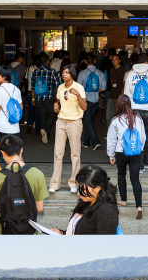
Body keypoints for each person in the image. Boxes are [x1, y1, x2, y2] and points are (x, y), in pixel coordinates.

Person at [0, 135, 48, 235]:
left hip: (5, 232)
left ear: (2, 153)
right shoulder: (37, 174)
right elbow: (39, 208)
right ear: (21, 150)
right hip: (29, 232)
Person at [106, 95, 146, 219]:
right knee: (135, 179)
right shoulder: (138, 118)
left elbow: (112, 140)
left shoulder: (115, 120)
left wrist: (111, 154)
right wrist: (140, 149)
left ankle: (123, 199)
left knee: (121, 174)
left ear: (118, 105)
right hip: (135, 152)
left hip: (121, 152)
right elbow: (143, 137)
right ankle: (139, 206)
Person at [49, 165, 119, 235]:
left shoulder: (107, 210)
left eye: (84, 189)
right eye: (79, 187)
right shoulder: (85, 202)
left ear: (97, 188)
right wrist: (61, 233)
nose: (79, 193)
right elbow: (78, 231)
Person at [49, 65, 86, 194]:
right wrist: (56, 104)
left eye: (67, 73)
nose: (64, 75)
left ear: (72, 75)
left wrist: (77, 95)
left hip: (74, 122)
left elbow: (84, 107)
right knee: (58, 153)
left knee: (75, 154)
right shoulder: (60, 87)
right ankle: (54, 183)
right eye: (63, 72)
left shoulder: (79, 87)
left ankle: (74, 183)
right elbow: (58, 100)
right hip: (61, 121)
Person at [123, 56, 148, 170]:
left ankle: (138, 165)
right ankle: (147, 161)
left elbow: (127, 94)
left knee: (136, 136)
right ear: (147, 62)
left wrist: (128, 110)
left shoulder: (130, 74)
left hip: (135, 110)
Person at [0, 65, 23, 147]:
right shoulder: (16, 89)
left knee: (0, 154)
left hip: (1, 128)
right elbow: (21, 108)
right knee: (14, 154)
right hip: (15, 128)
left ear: (4, 77)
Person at [77, 53, 107, 150]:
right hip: (95, 101)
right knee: (90, 121)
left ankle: (96, 141)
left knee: (88, 121)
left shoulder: (82, 74)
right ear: (94, 61)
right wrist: (94, 90)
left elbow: (78, 88)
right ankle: (86, 142)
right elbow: (103, 88)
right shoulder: (101, 73)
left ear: (85, 62)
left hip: (85, 100)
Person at [30, 52, 61, 145]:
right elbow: (58, 85)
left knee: (42, 115)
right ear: (48, 61)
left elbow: (32, 87)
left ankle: (45, 134)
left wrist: (33, 99)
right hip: (49, 97)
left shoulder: (35, 72)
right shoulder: (52, 71)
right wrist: (57, 99)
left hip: (38, 98)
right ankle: (45, 130)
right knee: (51, 115)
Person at [105, 52, 129, 126]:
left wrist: (120, 96)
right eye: (112, 60)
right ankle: (111, 133)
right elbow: (112, 82)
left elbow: (125, 84)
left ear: (119, 60)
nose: (114, 61)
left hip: (120, 97)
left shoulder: (124, 70)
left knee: (120, 117)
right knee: (109, 117)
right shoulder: (111, 70)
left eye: (116, 59)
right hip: (112, 95)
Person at [25, 54, 42, 135]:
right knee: (38, 111)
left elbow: (26, 79)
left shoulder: (28, 69)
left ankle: (29, 125)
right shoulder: (39, 70)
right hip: (37, 91)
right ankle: (38, 128)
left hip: (29, 91)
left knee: (30, 110)